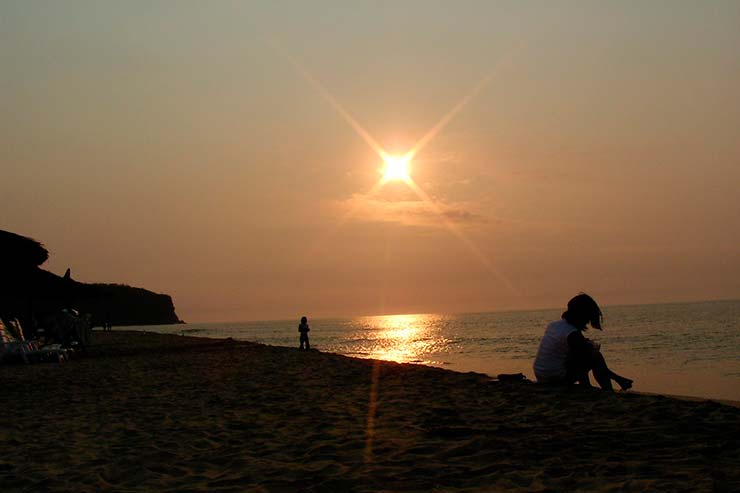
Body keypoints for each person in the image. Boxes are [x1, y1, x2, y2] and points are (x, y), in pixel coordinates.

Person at [533, 293, 633, 391]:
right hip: (554, 378)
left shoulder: (553, 325)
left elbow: (565, 350)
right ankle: (607, 390)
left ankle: (593, 385)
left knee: (584, 354)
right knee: (596, 357)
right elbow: (582, 357)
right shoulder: (572, 334)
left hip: (541, 374)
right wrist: (618, 378)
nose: (588, 321)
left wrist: (585, 345)